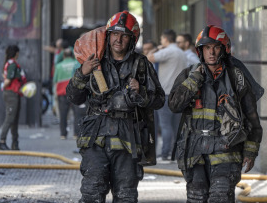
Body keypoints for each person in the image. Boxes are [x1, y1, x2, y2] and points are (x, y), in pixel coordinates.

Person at [66, 10, 165, 202]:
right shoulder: (94, 62)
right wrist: (82, 73)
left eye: (124, 36)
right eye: (114, 34)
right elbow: (74, 97)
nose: (118, 40)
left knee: (126, 196)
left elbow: (160, 100)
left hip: (128, 141)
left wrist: (141, 92)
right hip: (96, 139)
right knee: (92, 194)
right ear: (108, 35)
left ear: (132, 39)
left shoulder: (141, 64)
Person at [168, 25, 263, 202]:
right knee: (196, 198)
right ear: (200, 50)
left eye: (216, 47)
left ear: (224, 49)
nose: (211, 52)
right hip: (195, 153)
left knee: (220, 197)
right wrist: (194, 81)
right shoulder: (189, 74)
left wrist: (251, 152)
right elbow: (174, 105)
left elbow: (252, 119)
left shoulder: (236, 78)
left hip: (226, 151)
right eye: (206, 48)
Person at [147, 29, 187, 161]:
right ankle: (176, 154)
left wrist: (156, 48)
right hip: (179, 94)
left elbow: (149, 58)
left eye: (161, 40)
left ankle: (165, 154)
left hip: (166, 93)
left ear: (165, 39)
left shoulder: (168, 51)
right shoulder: (181, 52)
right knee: (176, 126)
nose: (160, 42)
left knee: (165, 125)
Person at [0, 45, 27, 150]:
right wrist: (4, 86)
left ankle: (15, 144)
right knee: (10, 118)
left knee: (14, 119)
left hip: (15, 94)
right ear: (16, 53)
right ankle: (2, 141)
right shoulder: (12, 65)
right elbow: (8, 80)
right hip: (11, 94)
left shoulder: (10, 64)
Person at [53, 48, 78, 139]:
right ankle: (76, 133)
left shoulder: (59, 66)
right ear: (72, 55)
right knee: (77, 114)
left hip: (62, 93)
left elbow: (55, 80)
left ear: (63, 56)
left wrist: (54, 93)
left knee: (63, 114)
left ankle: (63, 134)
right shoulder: (76, 64)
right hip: (75, 92)